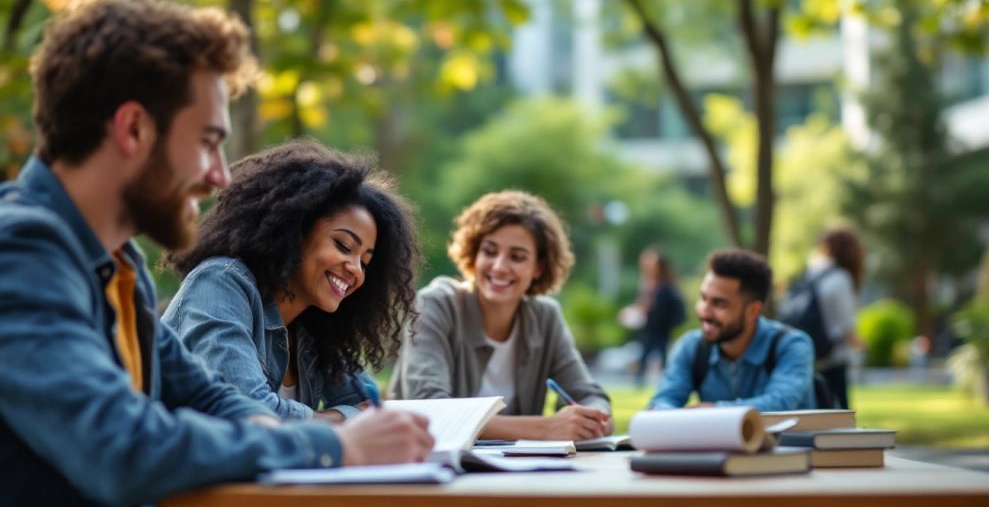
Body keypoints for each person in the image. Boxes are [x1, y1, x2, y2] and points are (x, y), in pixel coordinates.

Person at [0, 0, 432, 505]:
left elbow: (204, 395)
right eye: (208, 142)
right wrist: (331, 445)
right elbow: (123, 448)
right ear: (133, 129)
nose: (219, 176)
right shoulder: (21, 252)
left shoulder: (119, 265)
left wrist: (309, 436)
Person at [163, 140, 419, 422]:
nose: (356, 270)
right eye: (344, 246)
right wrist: (338, 420)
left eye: (365, 261)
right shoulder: (220, 283)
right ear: (294, 232)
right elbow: (247, 411)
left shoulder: (315, 327)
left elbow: (369, 406)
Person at [390, 190, 613, 441]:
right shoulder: (434, 305)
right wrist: (546, 428)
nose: (499, 266)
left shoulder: (545, 316)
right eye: (489, 251)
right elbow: (432, 411)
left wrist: (592, 417)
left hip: (515, 474)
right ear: (474, 253)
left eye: (517, 257)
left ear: (538, 267)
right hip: (431, 469)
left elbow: (588, 395)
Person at [648, 249, 815, 411]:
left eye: (719, 304)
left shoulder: (791, 345)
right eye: (703, 298)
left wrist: (713, 411)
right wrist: (664, 412)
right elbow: (663, 400)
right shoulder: (691, 347)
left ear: (753, 311)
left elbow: (781, 403)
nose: (705, 310)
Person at [802, 227, 866, 409]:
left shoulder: (811, 273)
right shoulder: (841, 278)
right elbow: (847, 324)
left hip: (811, 349)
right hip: (833, 354)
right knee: (840, 411)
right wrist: (859, 343)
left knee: (817, 409)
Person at [620, 247, 686, 387]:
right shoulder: (645, 282)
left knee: (662, 356)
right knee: (645, 355)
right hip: (648, 327)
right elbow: (643, 304)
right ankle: (640, 382)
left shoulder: (666, 285)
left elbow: (671, 307)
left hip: (662, 327)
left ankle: (669, 383)